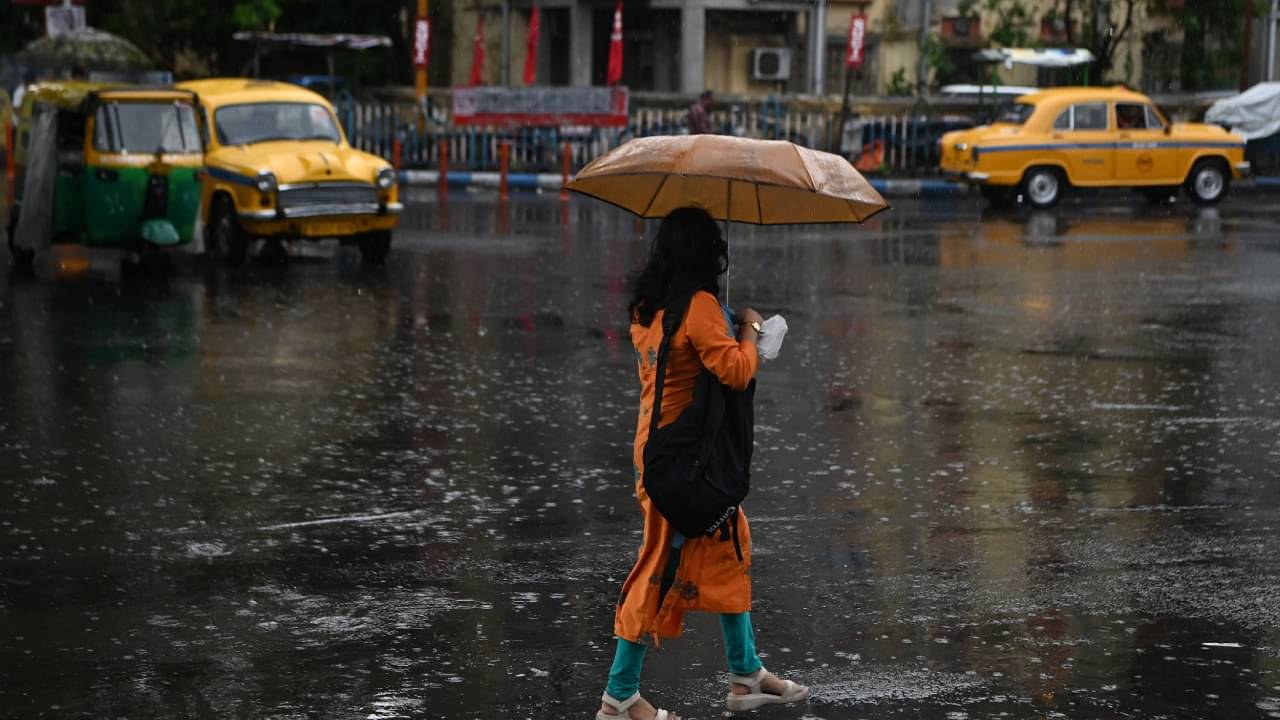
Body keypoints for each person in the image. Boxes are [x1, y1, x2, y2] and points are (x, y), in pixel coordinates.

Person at [597, 206, 809, 720]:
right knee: (659, 567)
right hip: (681, 466)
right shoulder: (696, 307)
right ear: (704, 253)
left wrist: (725, 319)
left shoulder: (650, 309)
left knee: (730, 544)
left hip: (660, 452)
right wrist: (751, 327)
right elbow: (735, 371)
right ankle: (619, 695)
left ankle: (745, 673)